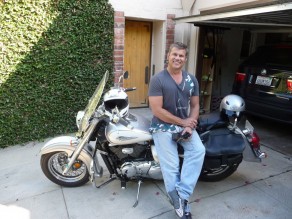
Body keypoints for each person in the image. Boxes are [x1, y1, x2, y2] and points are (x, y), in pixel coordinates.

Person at [148, 42, 205, 219]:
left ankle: (180, 196)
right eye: (175, 54)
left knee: (198, 150)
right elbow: (157, 110)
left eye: (181, 55)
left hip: (184, 125)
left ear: (185, 59)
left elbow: (195, 105)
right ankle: (182, 207)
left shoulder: (191, 80)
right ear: (168, 56)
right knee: (171, 166)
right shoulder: (158, 79)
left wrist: (189, 124)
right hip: (162, 126)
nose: (177, 58)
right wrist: (183, 122)